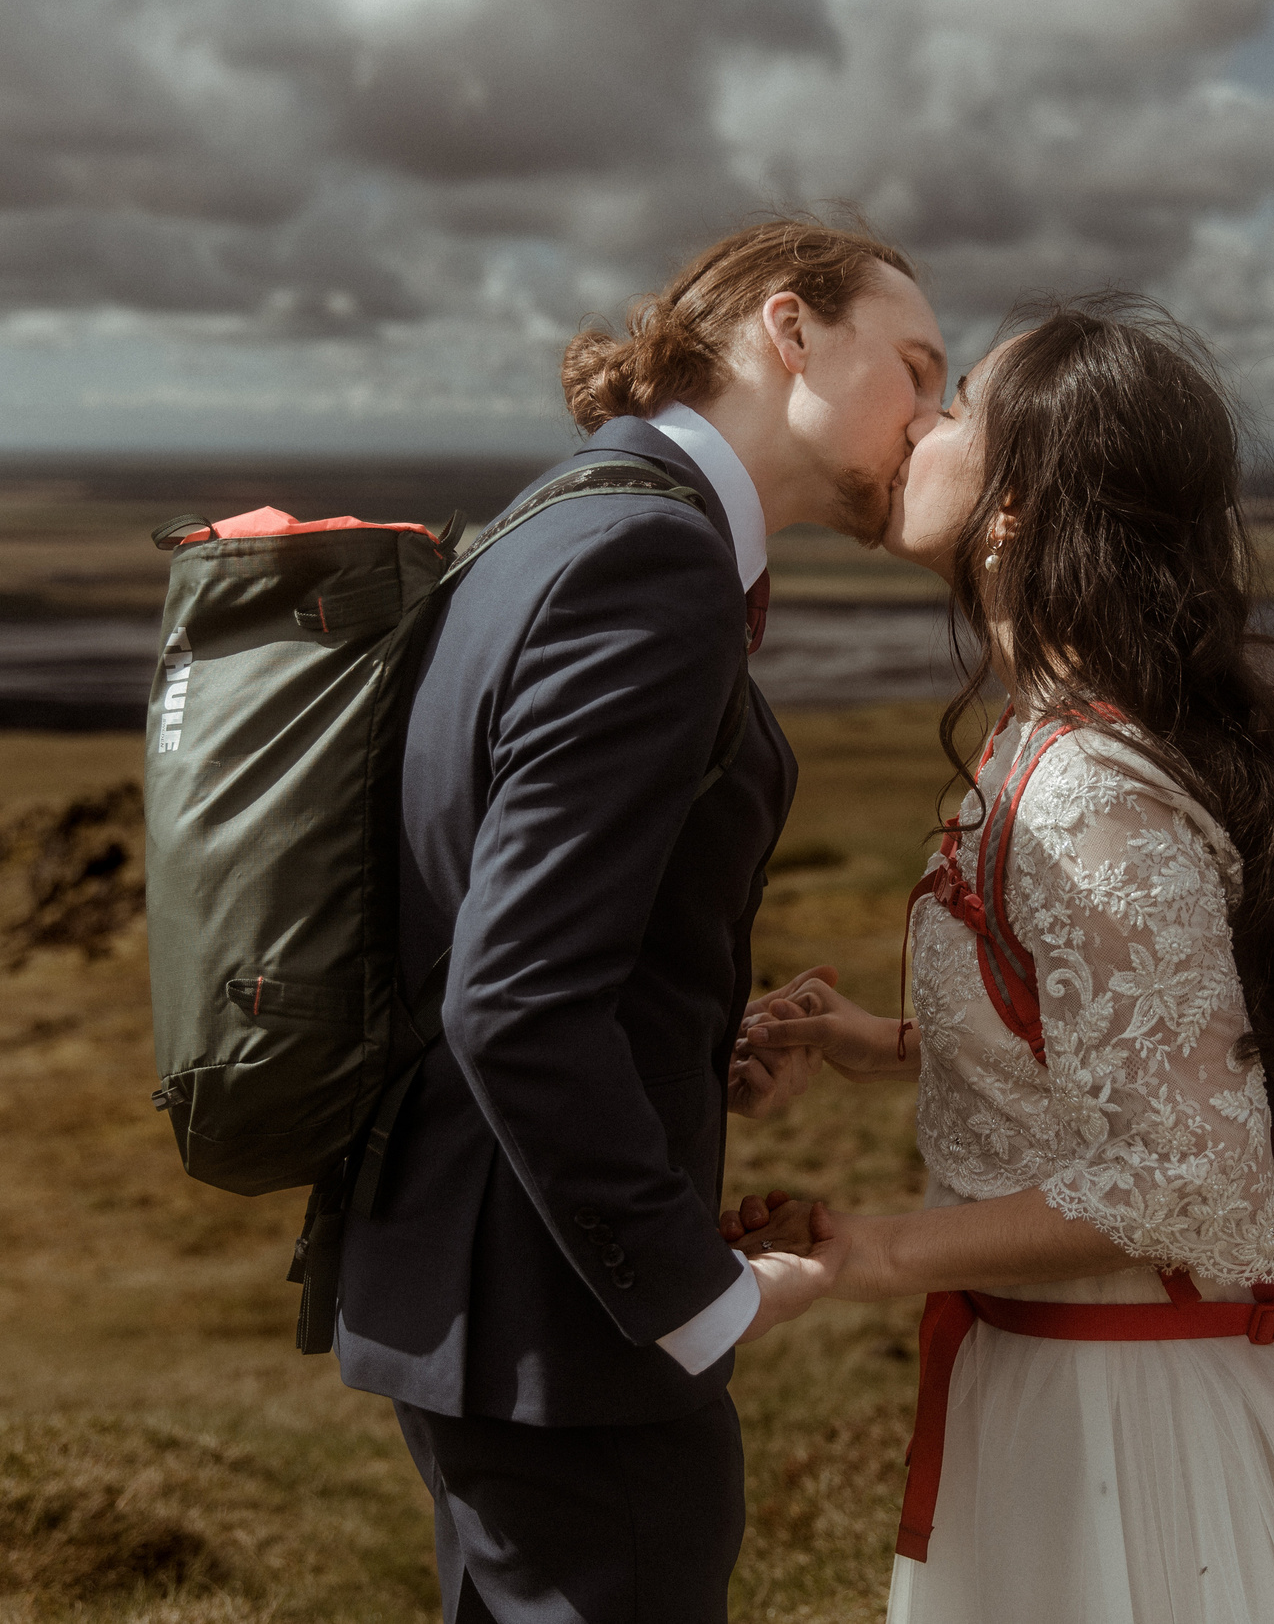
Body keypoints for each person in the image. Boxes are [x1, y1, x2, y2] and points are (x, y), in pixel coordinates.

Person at [728, 295, 1274, 1622]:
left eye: (961, 402)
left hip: (1138, 1432)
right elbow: (1144, 1038)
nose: (918, 423)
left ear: (1019, 507)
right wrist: (896, 1048)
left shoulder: (1090, 781)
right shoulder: (1067, 739)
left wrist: (865, 1255)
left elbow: (1192, 1184)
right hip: (1076, 1388)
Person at [332, 215, 947, 1624]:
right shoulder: (652, 564)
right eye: (916, 366)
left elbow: (523, 918)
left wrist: (687, 1033)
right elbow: (516, 995)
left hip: (485, 1300)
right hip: (561, 1327)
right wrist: (695, 1296)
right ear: (790, 332)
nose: (933, 416)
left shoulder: (559, 516)